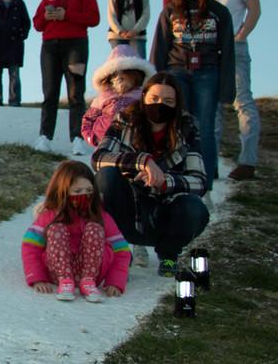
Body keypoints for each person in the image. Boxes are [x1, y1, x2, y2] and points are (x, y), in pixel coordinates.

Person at [93, 72, 211, 277]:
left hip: (165, 210)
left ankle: (169, 254)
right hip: (129, 204)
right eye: (154, 99)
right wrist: (142, 161)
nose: (160, 105)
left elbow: (199, 180)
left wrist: (165, 181)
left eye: (168, 101)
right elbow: (99, 158)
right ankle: (118, 247)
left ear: (176, 104)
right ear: (144, 97)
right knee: (107, 176)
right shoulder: (125, 119)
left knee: (195, 208)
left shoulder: (187, 127)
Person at [150, 0, 235, 192]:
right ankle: (175, 178)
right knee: (177, 125)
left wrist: (227, 90)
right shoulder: (170, 11)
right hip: (177, 72)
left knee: (205, 128)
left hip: (207, 73)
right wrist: (153, 83)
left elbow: (228, 52)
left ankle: (204, 185)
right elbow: (160, 47)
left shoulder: (220, 12)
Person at [21, 160, 131, 302]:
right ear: (63, 191)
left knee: (94, 228)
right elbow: (31, 247)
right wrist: (37, 278)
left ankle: (88, 281)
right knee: (56, 228)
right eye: (78, 191)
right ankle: (65, 280)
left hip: (93, 272)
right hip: (57, 271)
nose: (84, 195)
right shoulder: (50, 215)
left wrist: (115, 281)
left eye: (89, 190)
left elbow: (121, 250)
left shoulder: (100, 216)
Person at [202, 0, 262, 181]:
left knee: (242, 101)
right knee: (212, 106)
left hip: (234, 47)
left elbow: (254, 8)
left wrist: (241, 35)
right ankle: (210, 165)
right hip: (207, 47)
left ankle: (247, 162)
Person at [32, 0, 101, 156]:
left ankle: (78, 137)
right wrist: (48, 16)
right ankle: (44, 136)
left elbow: (93, 18)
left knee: (75, 93)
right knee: (50, 92)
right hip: (50, 47)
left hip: (75, 46)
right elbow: (37, 23)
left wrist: (67, 14)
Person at [80, 44, 155, 148]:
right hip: (104, 144)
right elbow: (88, 119)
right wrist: (92, 137)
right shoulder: (103, 97)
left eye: (124, 74)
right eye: (115, 75)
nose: (119, 78)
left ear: (135, 75)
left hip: (133, 145)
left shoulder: (142, 95)